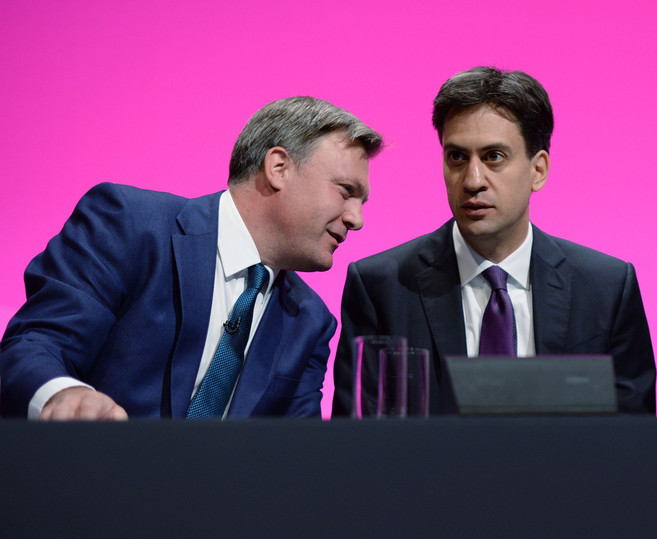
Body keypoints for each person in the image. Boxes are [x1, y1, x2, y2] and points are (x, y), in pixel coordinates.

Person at [0, 96, 383, 420]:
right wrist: (63, 395)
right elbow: (34, 344)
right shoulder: (129, 225)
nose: (357, 219)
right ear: (278, 168)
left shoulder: (310, 321)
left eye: (362, 202)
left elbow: (298, 456)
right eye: (345, 191)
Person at [332, 66, 656, 415]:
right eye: (457, 157)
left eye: (493, 157)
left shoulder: (606, 288)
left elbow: (633, 433)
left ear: (538, 170)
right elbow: (359, 435)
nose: (473, 180)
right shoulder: (382, 287)